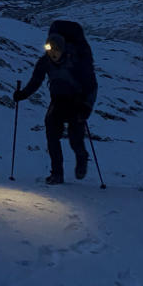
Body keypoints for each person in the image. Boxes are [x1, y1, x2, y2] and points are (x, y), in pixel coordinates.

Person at [13, 20, 98, 185]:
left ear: (62, 47)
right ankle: (57, 174)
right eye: (49, 49)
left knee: (75, 140)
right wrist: (22, 95)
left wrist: (86, 107)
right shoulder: (45, 61)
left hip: (76, 104)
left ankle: (82, 157)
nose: (52, 54)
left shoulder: (76, 61)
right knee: (52, 137)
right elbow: (36, 81)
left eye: (55, 50)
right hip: (57, 103)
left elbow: (91, 86)